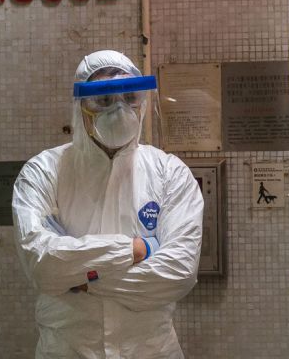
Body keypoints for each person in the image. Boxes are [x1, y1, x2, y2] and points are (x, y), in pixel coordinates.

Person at [12, 50, 204, 358]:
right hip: (68, 350)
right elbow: (43, 265)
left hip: (151, 350)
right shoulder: (43, 172)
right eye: (102, 100)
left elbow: (178, 274)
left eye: (130, 97)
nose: (119, 109)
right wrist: (136, 250)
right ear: (80, 106)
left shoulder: (169, 173)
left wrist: (83, 280)